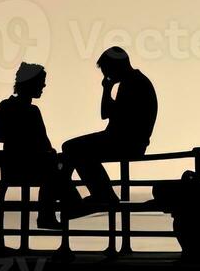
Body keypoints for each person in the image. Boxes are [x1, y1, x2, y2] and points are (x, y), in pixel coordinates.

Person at [61, 47, 157, 209]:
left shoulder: (133, 83)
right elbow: (108, 114)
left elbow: (106, 113)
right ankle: (92, 195)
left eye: (107, 71)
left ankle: (99, 195)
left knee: (71, 148)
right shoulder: (135, 81)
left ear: (115, 66)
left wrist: (106, 89)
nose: (106, 76)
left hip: (125, 142)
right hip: (126, 141)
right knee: (73, 151)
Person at [0, 63, 70, 230]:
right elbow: (43, 142)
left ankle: (53, 212)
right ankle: (53, 213)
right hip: (26, 166)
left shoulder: (10, 107)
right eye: (41, 82)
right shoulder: (30, 111)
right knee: (58, 172)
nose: (43, 86)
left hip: (16, 167)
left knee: (58, 171)